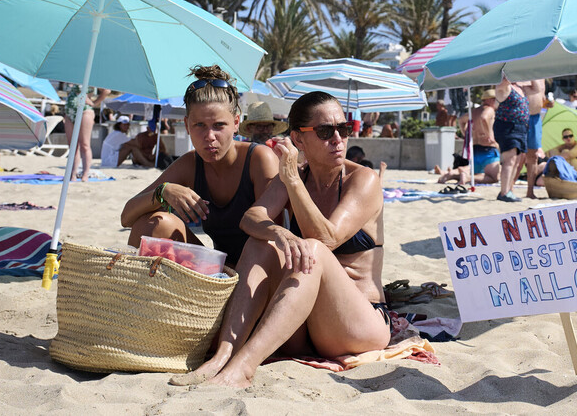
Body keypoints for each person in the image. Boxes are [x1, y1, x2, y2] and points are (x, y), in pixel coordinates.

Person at [177, 91, 388, 388]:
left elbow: (327, 238)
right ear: (299, 140)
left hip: (357, 323)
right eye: (325, 132)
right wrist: (278, 230)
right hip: (303, 323)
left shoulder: (363, 179)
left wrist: (292, 182)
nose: (338, 139)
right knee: (261, 240)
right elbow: (250, 218)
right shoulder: (296, 174)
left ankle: (245, 368)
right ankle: (224, 355)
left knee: (312, 248)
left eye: (344, 128)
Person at [120, 65, 279, 265]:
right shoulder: (190, 164)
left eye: (219, 125)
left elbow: (273, 236)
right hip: (219, 268)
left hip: (263, 268)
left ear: (236, 122)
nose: (209, 137)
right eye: (200, 125)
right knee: (152, 223)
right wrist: (164, 191)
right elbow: (126, 218)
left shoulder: (259, 158)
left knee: (262, 245)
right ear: (187, 125)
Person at [436, 89, 501, 186]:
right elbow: (484, 118)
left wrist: (465, 134)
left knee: (478, 173)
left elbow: (461, 120)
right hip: (488, 148)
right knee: (494, 178)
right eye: (497, 100)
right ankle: (467, 178)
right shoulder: (489, 109)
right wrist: (490, 135)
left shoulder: (474, 111)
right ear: (491, 100)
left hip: (475, 149)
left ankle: (452, 174)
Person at [64, 85, 109, 182]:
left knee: (84, 144)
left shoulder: (90, 74)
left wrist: (94, 103)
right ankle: (73, 174)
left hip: (85, 110)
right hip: (69, 111)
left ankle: (85, 173)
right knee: (72, 145)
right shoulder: (71, 75)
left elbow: (106, 91)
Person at [493, 80, 529, 202]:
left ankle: (508, 190)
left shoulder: (519, 87)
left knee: (517, 160)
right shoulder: (505, 86)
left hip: (521, 127)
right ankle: (504, 193)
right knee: (510, 159)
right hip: (508, 126)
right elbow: (500, 85)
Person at [519, 79, 546, 199]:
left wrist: (546, 103)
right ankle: (509, 189)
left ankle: (530, 191)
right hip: (520, 118)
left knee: (533, 157)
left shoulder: (542, 77)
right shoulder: (519, 73)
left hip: (535, 119)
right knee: (518, 157)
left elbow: (542, 97)